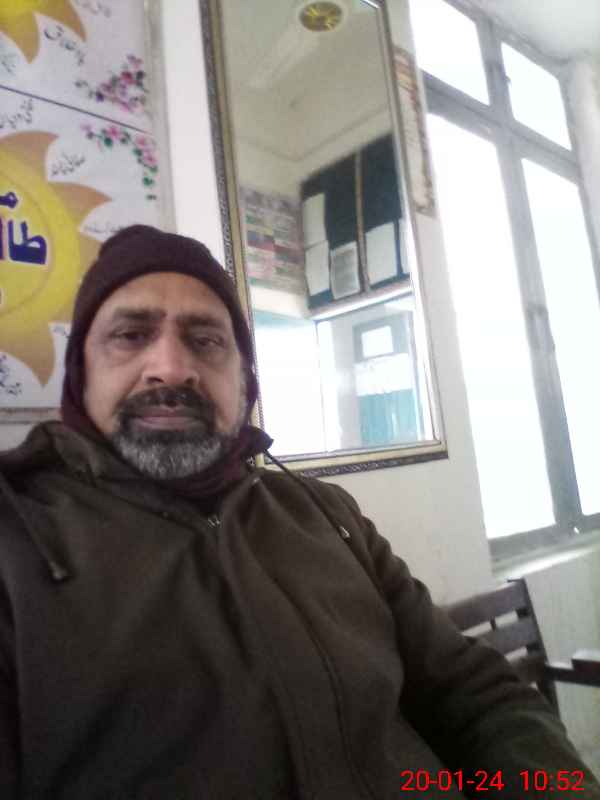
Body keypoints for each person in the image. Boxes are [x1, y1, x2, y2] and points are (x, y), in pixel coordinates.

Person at [0, 224, 598, 800]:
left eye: (205, 340)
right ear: (80, 372)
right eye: (131, 335)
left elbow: (475, 694)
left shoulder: (326, 513)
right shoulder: (15, 540)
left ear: (245, 381)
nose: (172, 367)